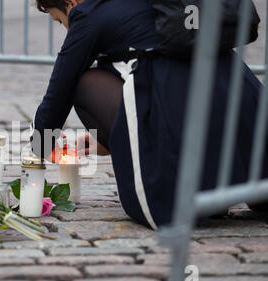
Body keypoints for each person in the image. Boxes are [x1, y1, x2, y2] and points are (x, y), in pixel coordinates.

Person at [30, 0, 267, 230]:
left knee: (85, 83)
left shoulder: (88, 14)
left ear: (71, 3)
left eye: (60, 20)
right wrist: (104, 142)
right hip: (239, 101)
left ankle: (181, 187)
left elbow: (61, 88)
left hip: (185, 109)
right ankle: (216, 186)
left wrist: (39, 148)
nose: (65, 28)